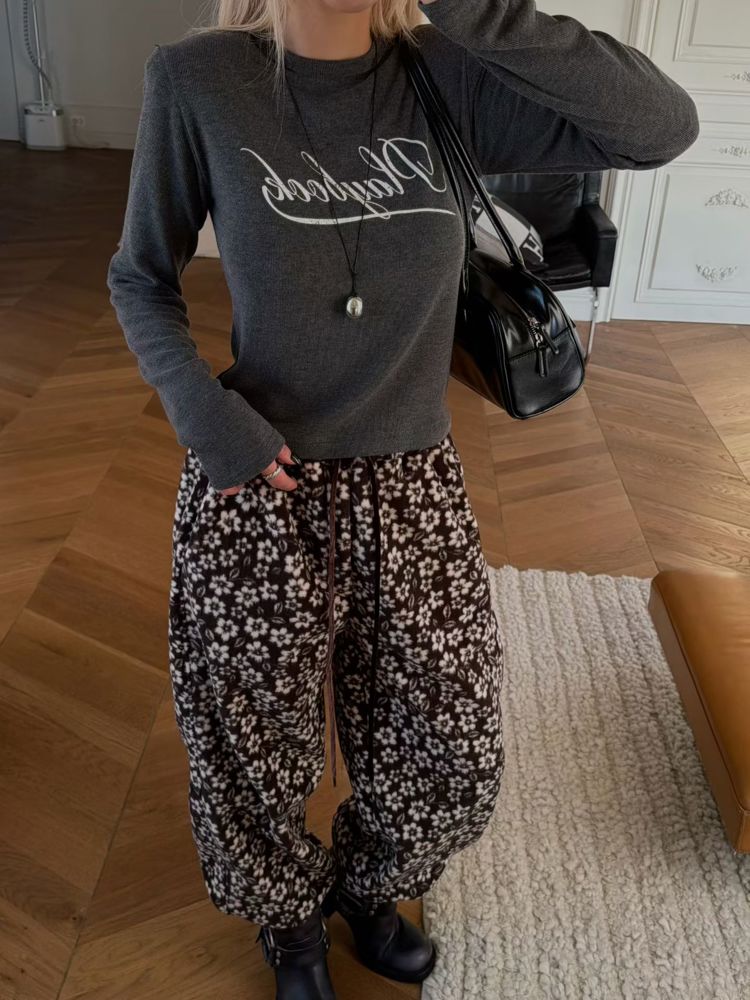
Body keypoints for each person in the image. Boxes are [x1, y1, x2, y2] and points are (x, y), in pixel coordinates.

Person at [106, 0, 699, 995]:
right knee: (250, 745)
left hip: (413, 484)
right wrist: (210, 421)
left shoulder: (447, 73)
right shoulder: (198, 80)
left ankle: (370, 884)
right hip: (260, 481)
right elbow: (140, 279)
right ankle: (289, 918)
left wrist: (478, 11)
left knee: (451, 744)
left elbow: (660, 127)